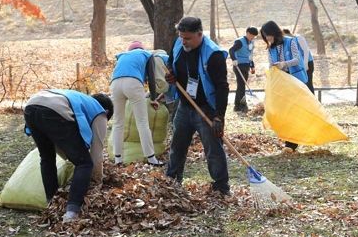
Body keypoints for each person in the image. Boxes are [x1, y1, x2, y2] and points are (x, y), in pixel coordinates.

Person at [24, 90, 113, 223]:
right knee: (84, 164)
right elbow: (96, 155)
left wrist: (73, 156)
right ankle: (71, 212)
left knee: (47, 158)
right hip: (53, 110)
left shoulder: (79, 101)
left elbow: (60, 143)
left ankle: (52, 203)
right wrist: (97, 182)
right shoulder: (100, 113)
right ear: (106, 112)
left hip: (31, 106)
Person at [165, 16, 231, 196]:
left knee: (213, 149)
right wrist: (171, 75)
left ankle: (221, 187)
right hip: (184, 106)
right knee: (177, 146)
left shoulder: (213, 54)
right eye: (181, 36)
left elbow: (222, 87)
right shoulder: (178, 44)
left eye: (187, 38)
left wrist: (219, 116)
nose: (183, 41)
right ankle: (171, 182)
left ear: (200, 34)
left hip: (205, 109)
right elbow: (171, 63)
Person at [110, 41, 165, 166]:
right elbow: (151, 78)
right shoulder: (147, 54)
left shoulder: (122, 55)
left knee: (118, 123)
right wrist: (153, 98)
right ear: (141, 48)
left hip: (115, 84)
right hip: (133, 83)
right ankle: (151, 158)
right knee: (142, 122)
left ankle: (118, 159)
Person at [260, 20, 308, 153]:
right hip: (282, 84)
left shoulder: (290, 42)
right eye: (265, 36)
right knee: (285, 112)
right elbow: (271, 64)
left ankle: (292, 143)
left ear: (274, 31)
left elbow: (297, 59)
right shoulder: (270, 48)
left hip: (295, 81)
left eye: (268, 35)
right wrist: (272, 67)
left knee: (294, 111)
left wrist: (284, 64)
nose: (267, 38)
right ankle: (290, 142)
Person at [228, 27, 258, 112]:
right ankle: (241, 106)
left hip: (246, 65)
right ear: (247, 33)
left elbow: (250, 55)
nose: (252, 37)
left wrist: (252, 66)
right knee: (241, 85)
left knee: (242, 85)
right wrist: (234, 59)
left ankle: (238, 106)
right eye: (251, 35)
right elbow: (231, 50)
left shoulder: (251, 42)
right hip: (239, 65)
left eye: (254, 36)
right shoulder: (239, 41)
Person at [283, 28, 315, 94]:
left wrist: (306, 65)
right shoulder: (287, 43)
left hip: (307, 63)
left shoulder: (299, 38)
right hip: (299, 66)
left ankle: (313, 103)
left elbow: (306, 51)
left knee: (308, 84)